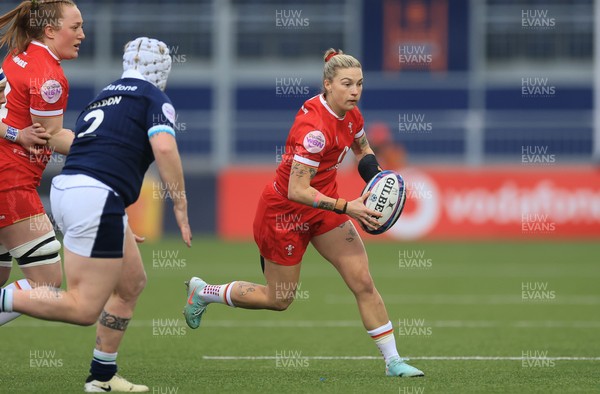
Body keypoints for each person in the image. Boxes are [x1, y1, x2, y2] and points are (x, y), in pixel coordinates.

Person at [183, 48, 424, 377]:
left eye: (359, 84)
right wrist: (348, 206)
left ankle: (393, 361)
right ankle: (205, 292)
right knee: (278, 299)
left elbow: (362, 149)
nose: (355, 91)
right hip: (284, 214)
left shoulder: (352, 114)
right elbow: (298, 190)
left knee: (363, 281)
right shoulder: (314, 131)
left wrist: (379, 179)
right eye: (347, 84)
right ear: (328, 85)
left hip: (324, 209)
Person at [0, 2, 151, 392]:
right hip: (11, 186)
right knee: (46, 283)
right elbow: (54, 135)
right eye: (76, 26)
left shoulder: (16, 56)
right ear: (50, 30)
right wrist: (102, 145)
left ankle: (102, 378)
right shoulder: (48, 76)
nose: (83, 35)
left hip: (8, 182)